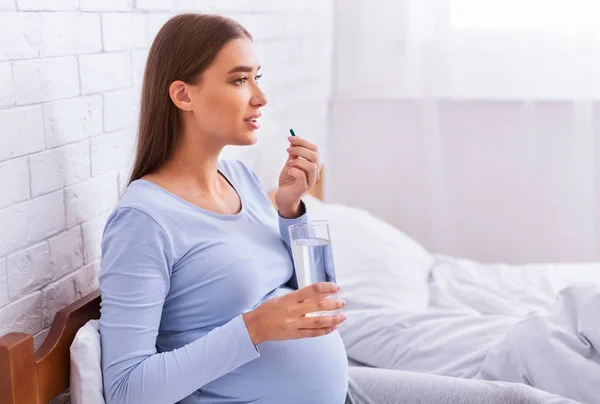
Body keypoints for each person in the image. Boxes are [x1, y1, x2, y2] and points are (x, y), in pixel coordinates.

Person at [98, 13, 580, 404]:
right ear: (183, 94)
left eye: (257, 78)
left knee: (520, 398)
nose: (260, 97)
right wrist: (255, 327)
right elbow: (126, 391)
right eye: (240, 80)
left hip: (341, 387)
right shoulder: (144, 220)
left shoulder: (241, 179)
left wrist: (292, 212)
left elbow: (320, 294)